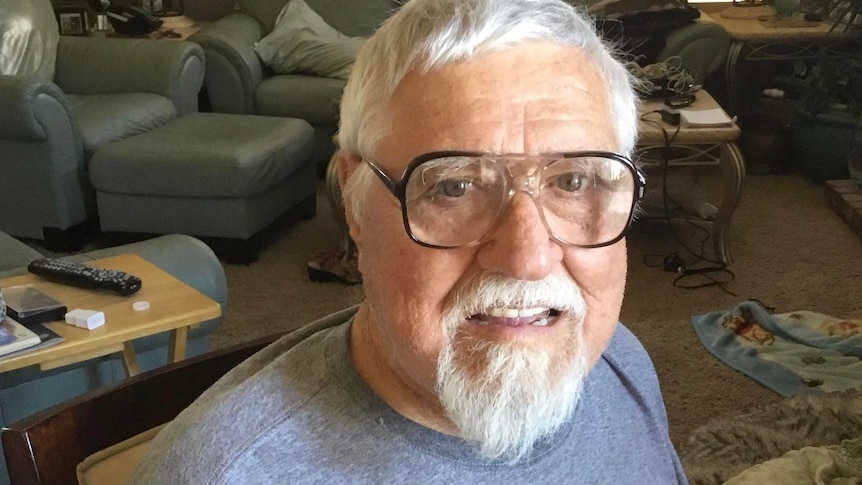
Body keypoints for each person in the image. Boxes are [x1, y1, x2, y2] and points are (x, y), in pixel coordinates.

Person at [130, 0, 688, 482]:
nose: (527, 258)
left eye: (573, 181)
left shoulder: (617, 361)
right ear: (353, 202)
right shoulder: (220, 474)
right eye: (454, 186)